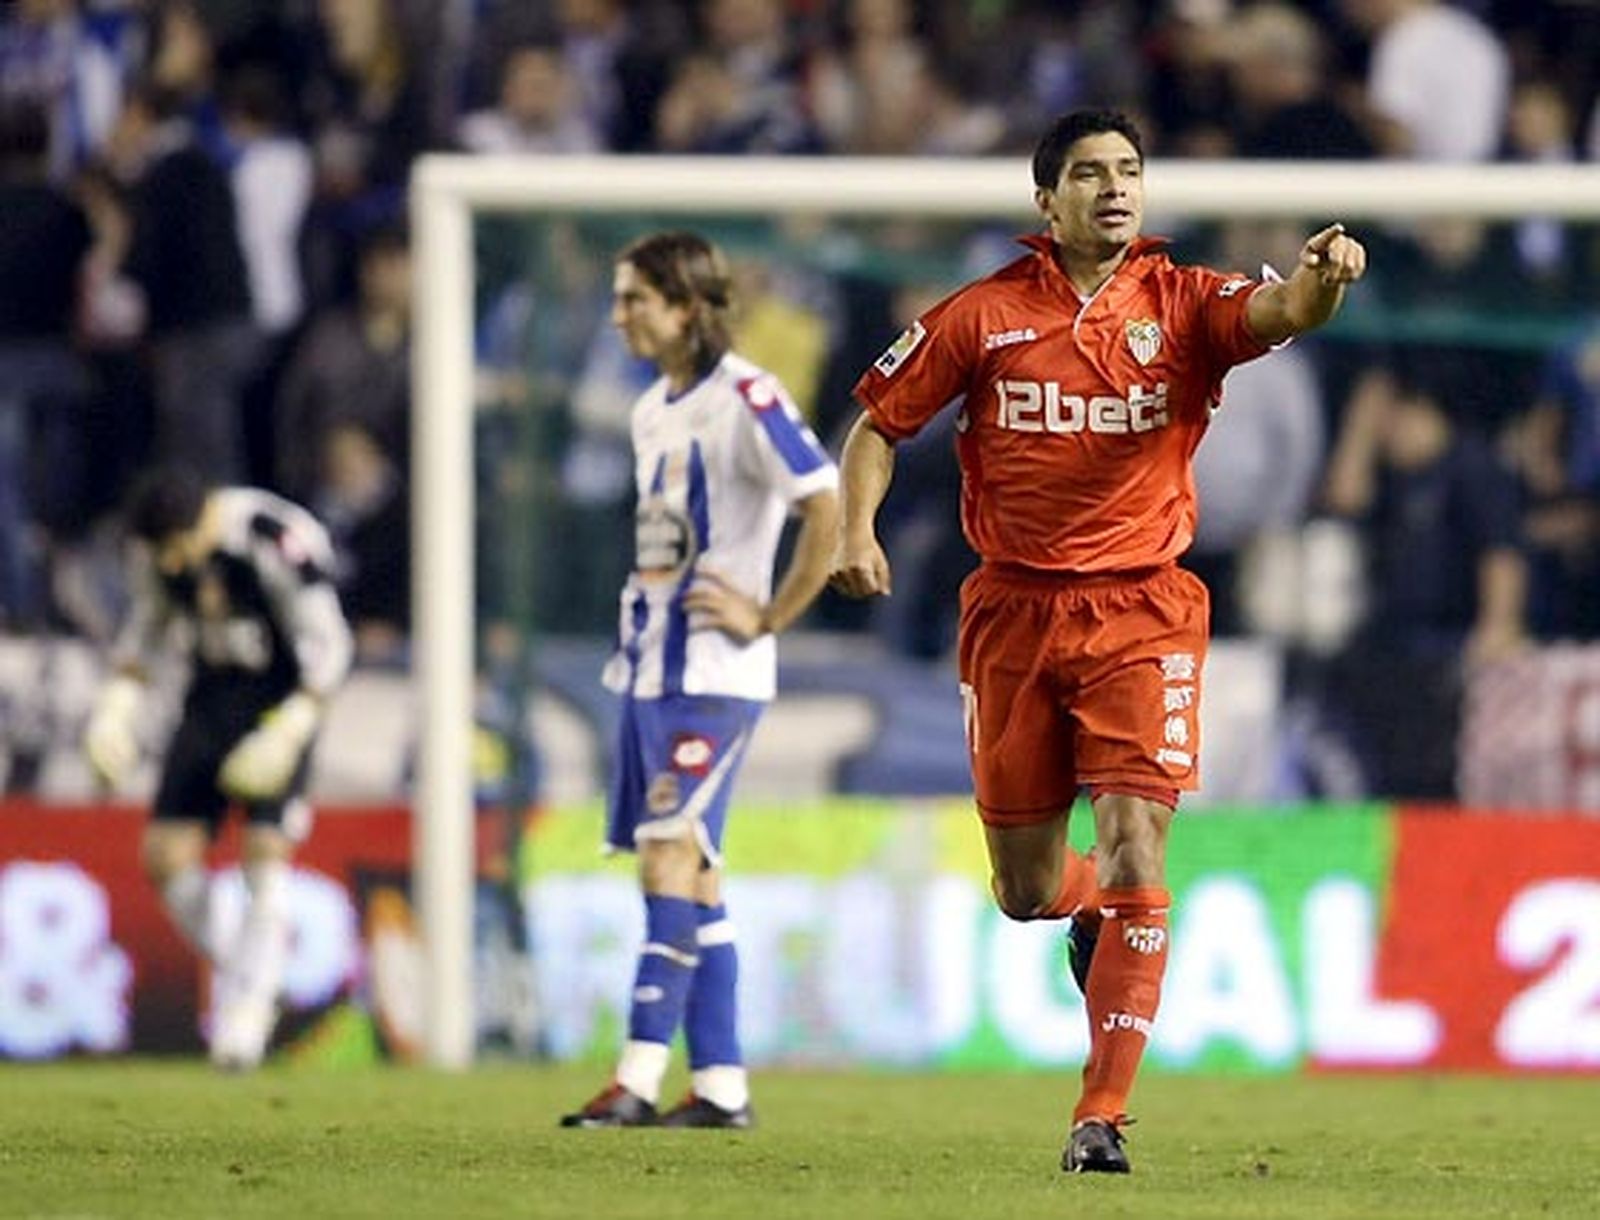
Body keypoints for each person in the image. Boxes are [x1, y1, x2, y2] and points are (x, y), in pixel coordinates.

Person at [829, 109, 1366, 1174]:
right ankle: (1086, 912)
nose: (1115, 188)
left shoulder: (1184, 303)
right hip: (1013, 614)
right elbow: (877, 428)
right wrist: (855, 528)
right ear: (1047, 201)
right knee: (1026, 888)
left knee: (1137, 847)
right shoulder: (981, 318)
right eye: (1089, 173)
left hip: (1142, 610)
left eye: (1128, 170)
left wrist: (1326, 278)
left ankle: (1101, 1116)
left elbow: (1281, 308)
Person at [560, 231, 840, 1129]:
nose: (620, 316)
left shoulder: (747, 397)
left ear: (686, 307)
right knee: (700, 881)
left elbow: (823, 500)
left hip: (716, 677)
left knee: (667, 858)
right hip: (648, 674)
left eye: (634, 299)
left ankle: (635, 1080)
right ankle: (721, 1089)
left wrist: (772, 614)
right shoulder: (653, 409)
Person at [82, 463, 354, 1071]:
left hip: (283, 699)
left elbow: (330, 644)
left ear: (201, 520)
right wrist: (115, 710)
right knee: (164, 856)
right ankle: (253, 971)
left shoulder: (271, 535)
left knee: (265, 849)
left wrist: (288, 732)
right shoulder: (157, 557)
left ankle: (247, 1017)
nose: (174, 567)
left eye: (178, 550)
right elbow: (146, 632)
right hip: (211, 699)